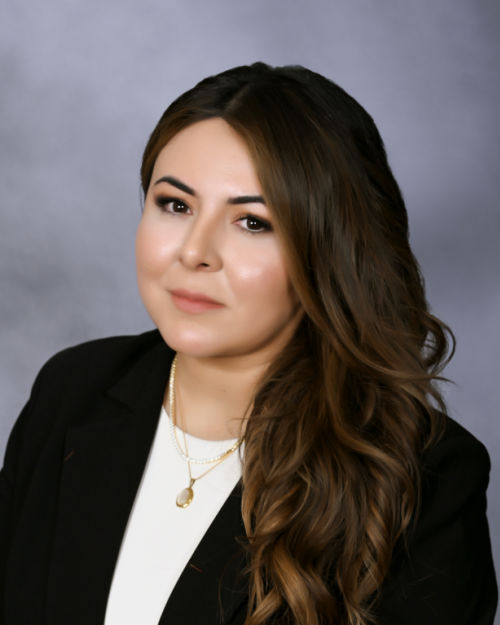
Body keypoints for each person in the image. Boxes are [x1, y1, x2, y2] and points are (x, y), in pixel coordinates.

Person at [0, 62, 497, 625]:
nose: (195, 252)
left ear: (330, 251)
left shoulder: (427, 479)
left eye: (253, 222)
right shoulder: (73, 389)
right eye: (176, 205)